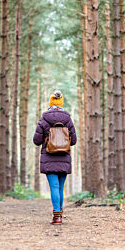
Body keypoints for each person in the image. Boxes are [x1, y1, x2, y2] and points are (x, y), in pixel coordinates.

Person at [33, 90, 77, 225]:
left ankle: (56, 216)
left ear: (50, 103)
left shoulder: (44, 119)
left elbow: (36, 140)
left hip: (49, 157)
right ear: (61, 104)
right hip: (64, 157)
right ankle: (60, 214)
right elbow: (73, 141)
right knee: (60, 188)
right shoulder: (68, 120)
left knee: (54, 187)